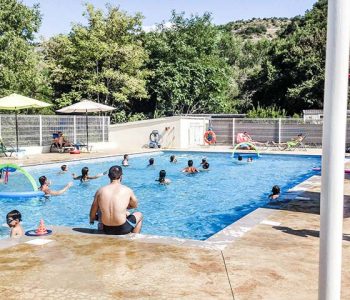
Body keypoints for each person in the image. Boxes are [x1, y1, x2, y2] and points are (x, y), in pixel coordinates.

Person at [89, 165, 143, 235]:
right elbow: (135, 205)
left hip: (106, 228)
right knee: (139, 214)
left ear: (108, 176)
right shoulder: (127, 190)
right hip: (122, 228)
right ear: (121, 176)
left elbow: (93, 210)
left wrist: (92, 220)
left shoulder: (100, 191)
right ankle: (134, 238)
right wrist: (125, 206)